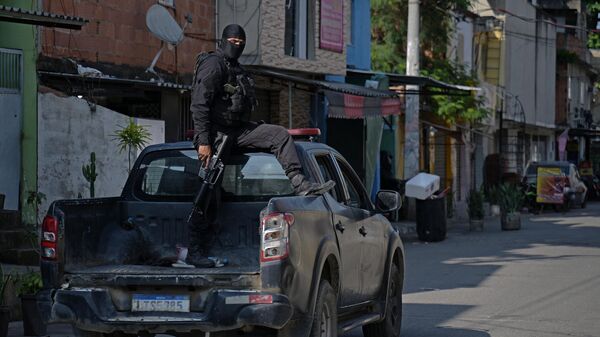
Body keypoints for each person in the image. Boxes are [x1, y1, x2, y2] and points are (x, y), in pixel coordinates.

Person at [188, 24, 334, 267]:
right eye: (232, 40)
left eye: (240, 41)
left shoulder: (236, 68)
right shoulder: (213, 65)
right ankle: (196, 251)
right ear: (223, 40)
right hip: (215, 135)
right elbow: (199, 105)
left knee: (279, 135)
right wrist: (204, 142)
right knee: (209, 193)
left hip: (237, 131)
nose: (236, 45)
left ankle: (300, 184)